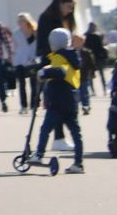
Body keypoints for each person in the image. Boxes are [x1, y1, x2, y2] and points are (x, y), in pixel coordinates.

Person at [34, 28, 86, 173]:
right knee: (76, 133)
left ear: (53, 44)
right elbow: (65, 70)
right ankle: (78, 163)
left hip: (58, 101)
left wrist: (44, 72)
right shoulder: (72, 56)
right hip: (71, 100)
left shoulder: (60, 57)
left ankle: (38, 155)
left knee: (45, 129)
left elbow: (60, 71)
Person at [12, 13, 40, 113]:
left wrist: (37, 58)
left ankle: (34, 106)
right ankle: (23, 106)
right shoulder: (16, 33)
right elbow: (15, 47)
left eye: (22, 20)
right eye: (19, 21)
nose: (20, 22)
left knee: (34, 83)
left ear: (27, 21)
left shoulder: (35, 31)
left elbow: (38, 46)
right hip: (20, 60)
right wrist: (12, 58)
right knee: (22, 84)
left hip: (33, 60)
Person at [83, 19, 110, 102]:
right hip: (98, 57)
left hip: (89, 57)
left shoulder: (85, 35)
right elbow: (101, 47)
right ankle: (104, 90)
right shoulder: (98, 36)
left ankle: (93, 91)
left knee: (90, 75)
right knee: (101, 74)